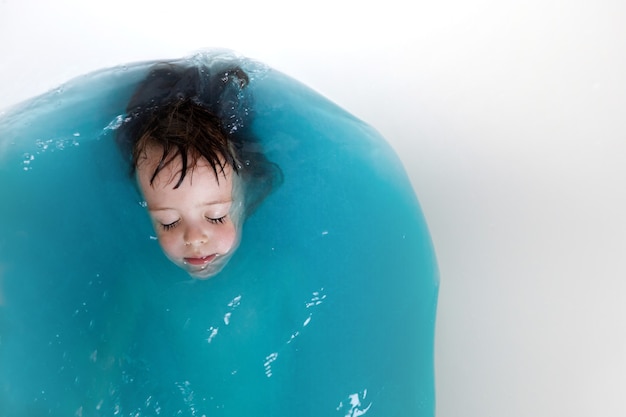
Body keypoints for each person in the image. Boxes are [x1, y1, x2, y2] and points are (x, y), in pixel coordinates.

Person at [116, 59, 282, 278]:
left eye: (216, 217)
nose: (194, 238)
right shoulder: (132, 277)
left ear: (247, 191)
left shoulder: (279, 267)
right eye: (168, 222)